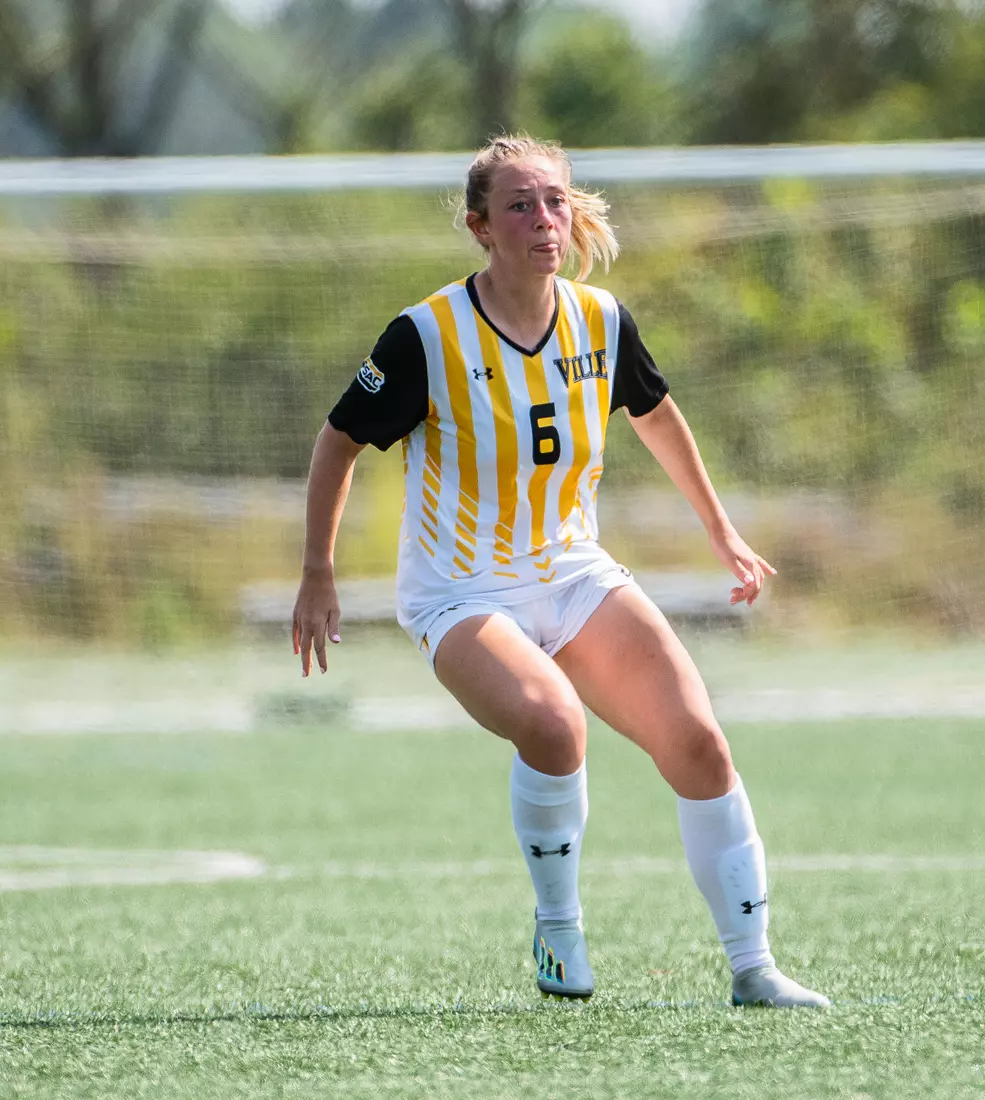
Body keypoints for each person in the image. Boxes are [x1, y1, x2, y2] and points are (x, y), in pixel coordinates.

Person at [290, 134, 828, 1009]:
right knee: (553, 723)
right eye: (519, 205)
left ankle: (754, 966)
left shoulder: (601, 319)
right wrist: (318, 571)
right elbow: (338, 440)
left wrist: (721, 530)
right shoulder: (427, 334)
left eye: (554, 201)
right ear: (480, 228)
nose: (544, 220)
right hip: (460, 590)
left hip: (573, 572)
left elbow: (655, 415)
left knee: (698, 740)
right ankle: (560, 933)